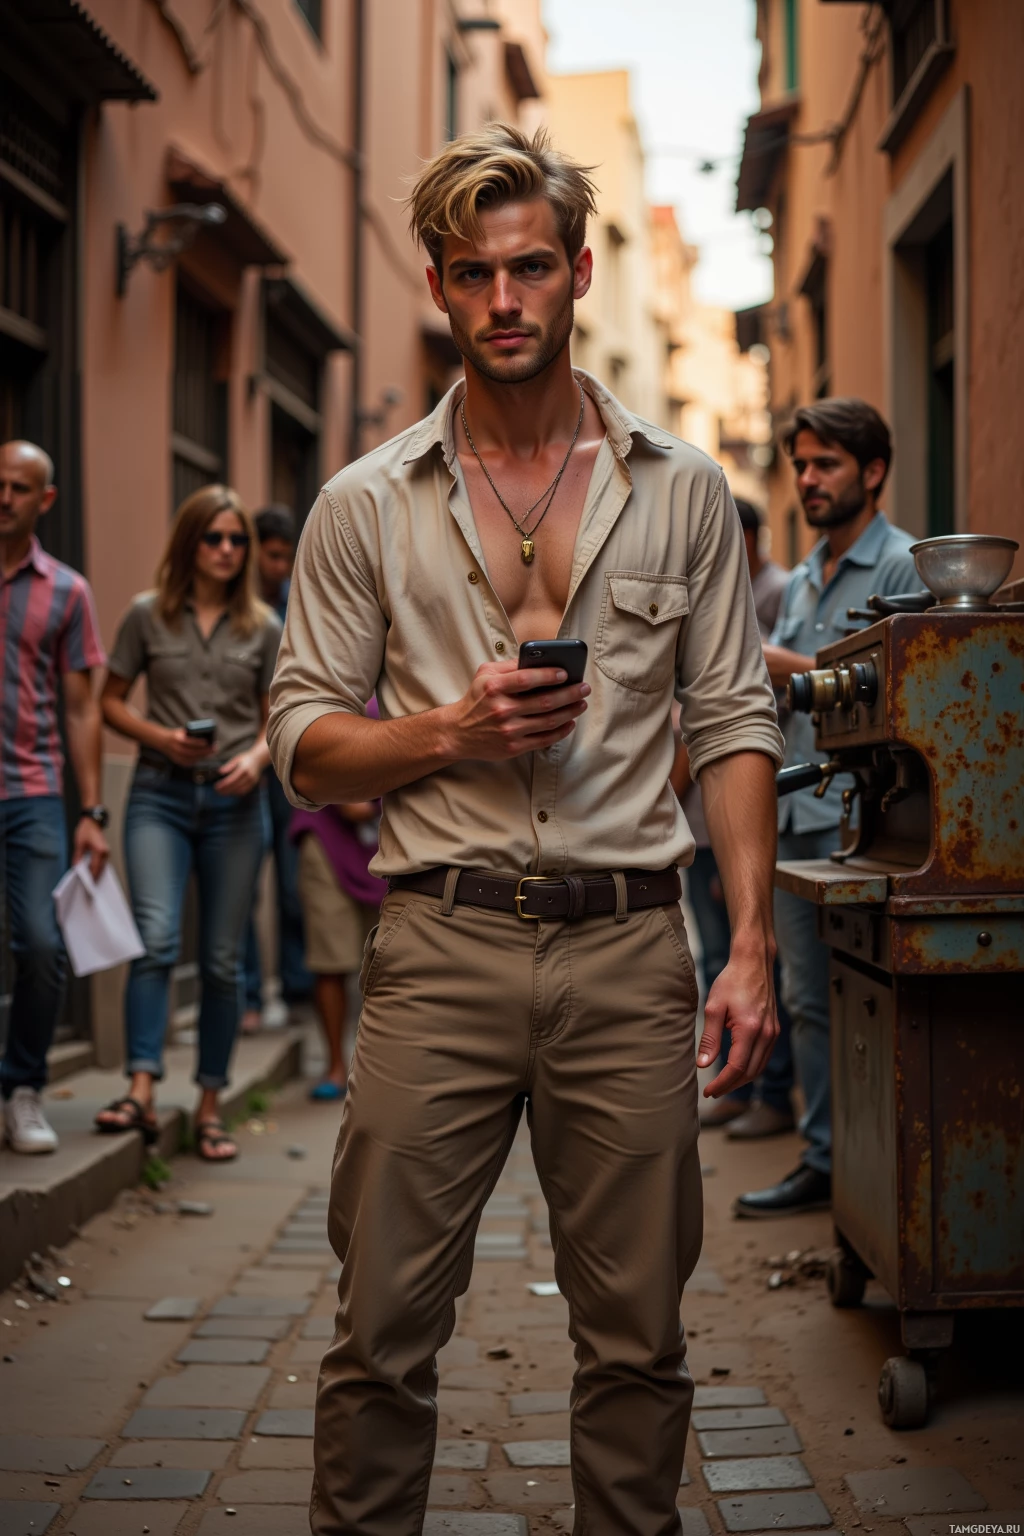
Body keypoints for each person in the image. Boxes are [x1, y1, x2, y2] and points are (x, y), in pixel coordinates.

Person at [269, 122, 784, 1536]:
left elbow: (735, 719)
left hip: (629, 956)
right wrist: (449, 731)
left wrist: (747, 946)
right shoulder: (361, 504)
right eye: (476, 273)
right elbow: (303, 744)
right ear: (438, 286)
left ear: (578, 272)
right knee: (380, 1336)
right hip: (441, 946)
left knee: (638, 1346)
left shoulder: (679, 488)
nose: (506, 300)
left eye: (533, 268)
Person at [734, 398, 918, 1218]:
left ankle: (889, 1174)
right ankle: (825, 1162)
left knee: (883, 1003)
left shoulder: (908, 567)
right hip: (799, 820)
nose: (808, 480)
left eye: (827, 465)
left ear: (872, 473)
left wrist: (777, 661)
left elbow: (909, 692)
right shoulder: (806, 574)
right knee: (809, 1001)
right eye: (801, 466)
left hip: (877, 830)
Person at [95, 486, 281, 1161]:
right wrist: (161, 737)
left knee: (224, 964)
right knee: (155, 938)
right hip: (159, 795)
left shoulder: (263, 628)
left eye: (237, 540)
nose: (227, 550)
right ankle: (141, 1089)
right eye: (214, 538)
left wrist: (258, 762)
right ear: (190, 544)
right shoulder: (147, 616)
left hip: (235, 805)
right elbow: (108, 703)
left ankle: (209, 1105)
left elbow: (279, 719)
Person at [0, 441, 108, 1154]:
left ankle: (24, 1088)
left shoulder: (67, 591)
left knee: (41, 944)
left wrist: (92, 812)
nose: (3, 496)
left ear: (45, 500)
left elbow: (80, 710)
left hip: (31, 790)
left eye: (19, 487)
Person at [686, 497, 795, 1138]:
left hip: (745, 812)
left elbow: (747, 717)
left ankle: (768, 1093)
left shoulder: (774, 592)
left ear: (746, 539)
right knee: (717, 964)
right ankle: (736, 1081)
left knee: (757, 962)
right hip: (704, 820)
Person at [290, 698, 387, 1101]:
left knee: (391, 962)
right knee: (331, 960)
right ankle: (334, 1064)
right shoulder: (335, 688)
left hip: (392, 837)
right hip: (327, 838)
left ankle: (380, 1069)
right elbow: (354, 808)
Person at [240, 505, 312, 1034]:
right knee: (242, 885)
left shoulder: (295, 604)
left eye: (286, 557)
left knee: (291, 886)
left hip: (286, 760)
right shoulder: (238, 608)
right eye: (272, 555)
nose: (279, 566)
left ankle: (294, 987)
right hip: (242, 762)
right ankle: (248, 995)